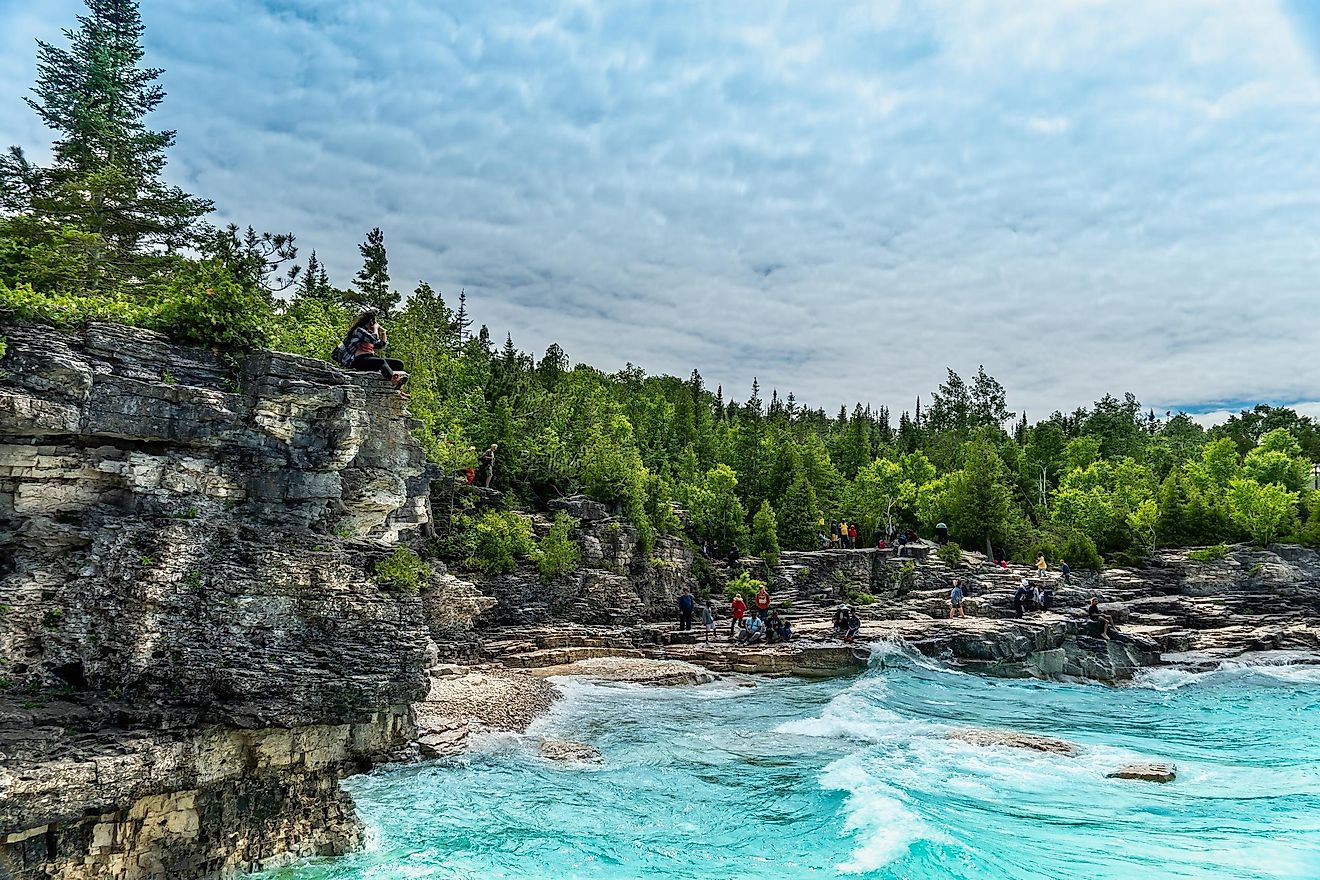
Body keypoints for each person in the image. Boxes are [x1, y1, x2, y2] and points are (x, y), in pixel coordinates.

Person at [340, 312, 409, 396]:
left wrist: (383, 333)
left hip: (369, 359)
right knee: (381, 362)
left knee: (399, 364)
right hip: (359, 361)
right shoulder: (359, 330)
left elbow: (381, 345)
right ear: (371, 322)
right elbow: (373, 339)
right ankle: (394, 380)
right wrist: (376, 328)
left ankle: (398, 388)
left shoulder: (368, 332)